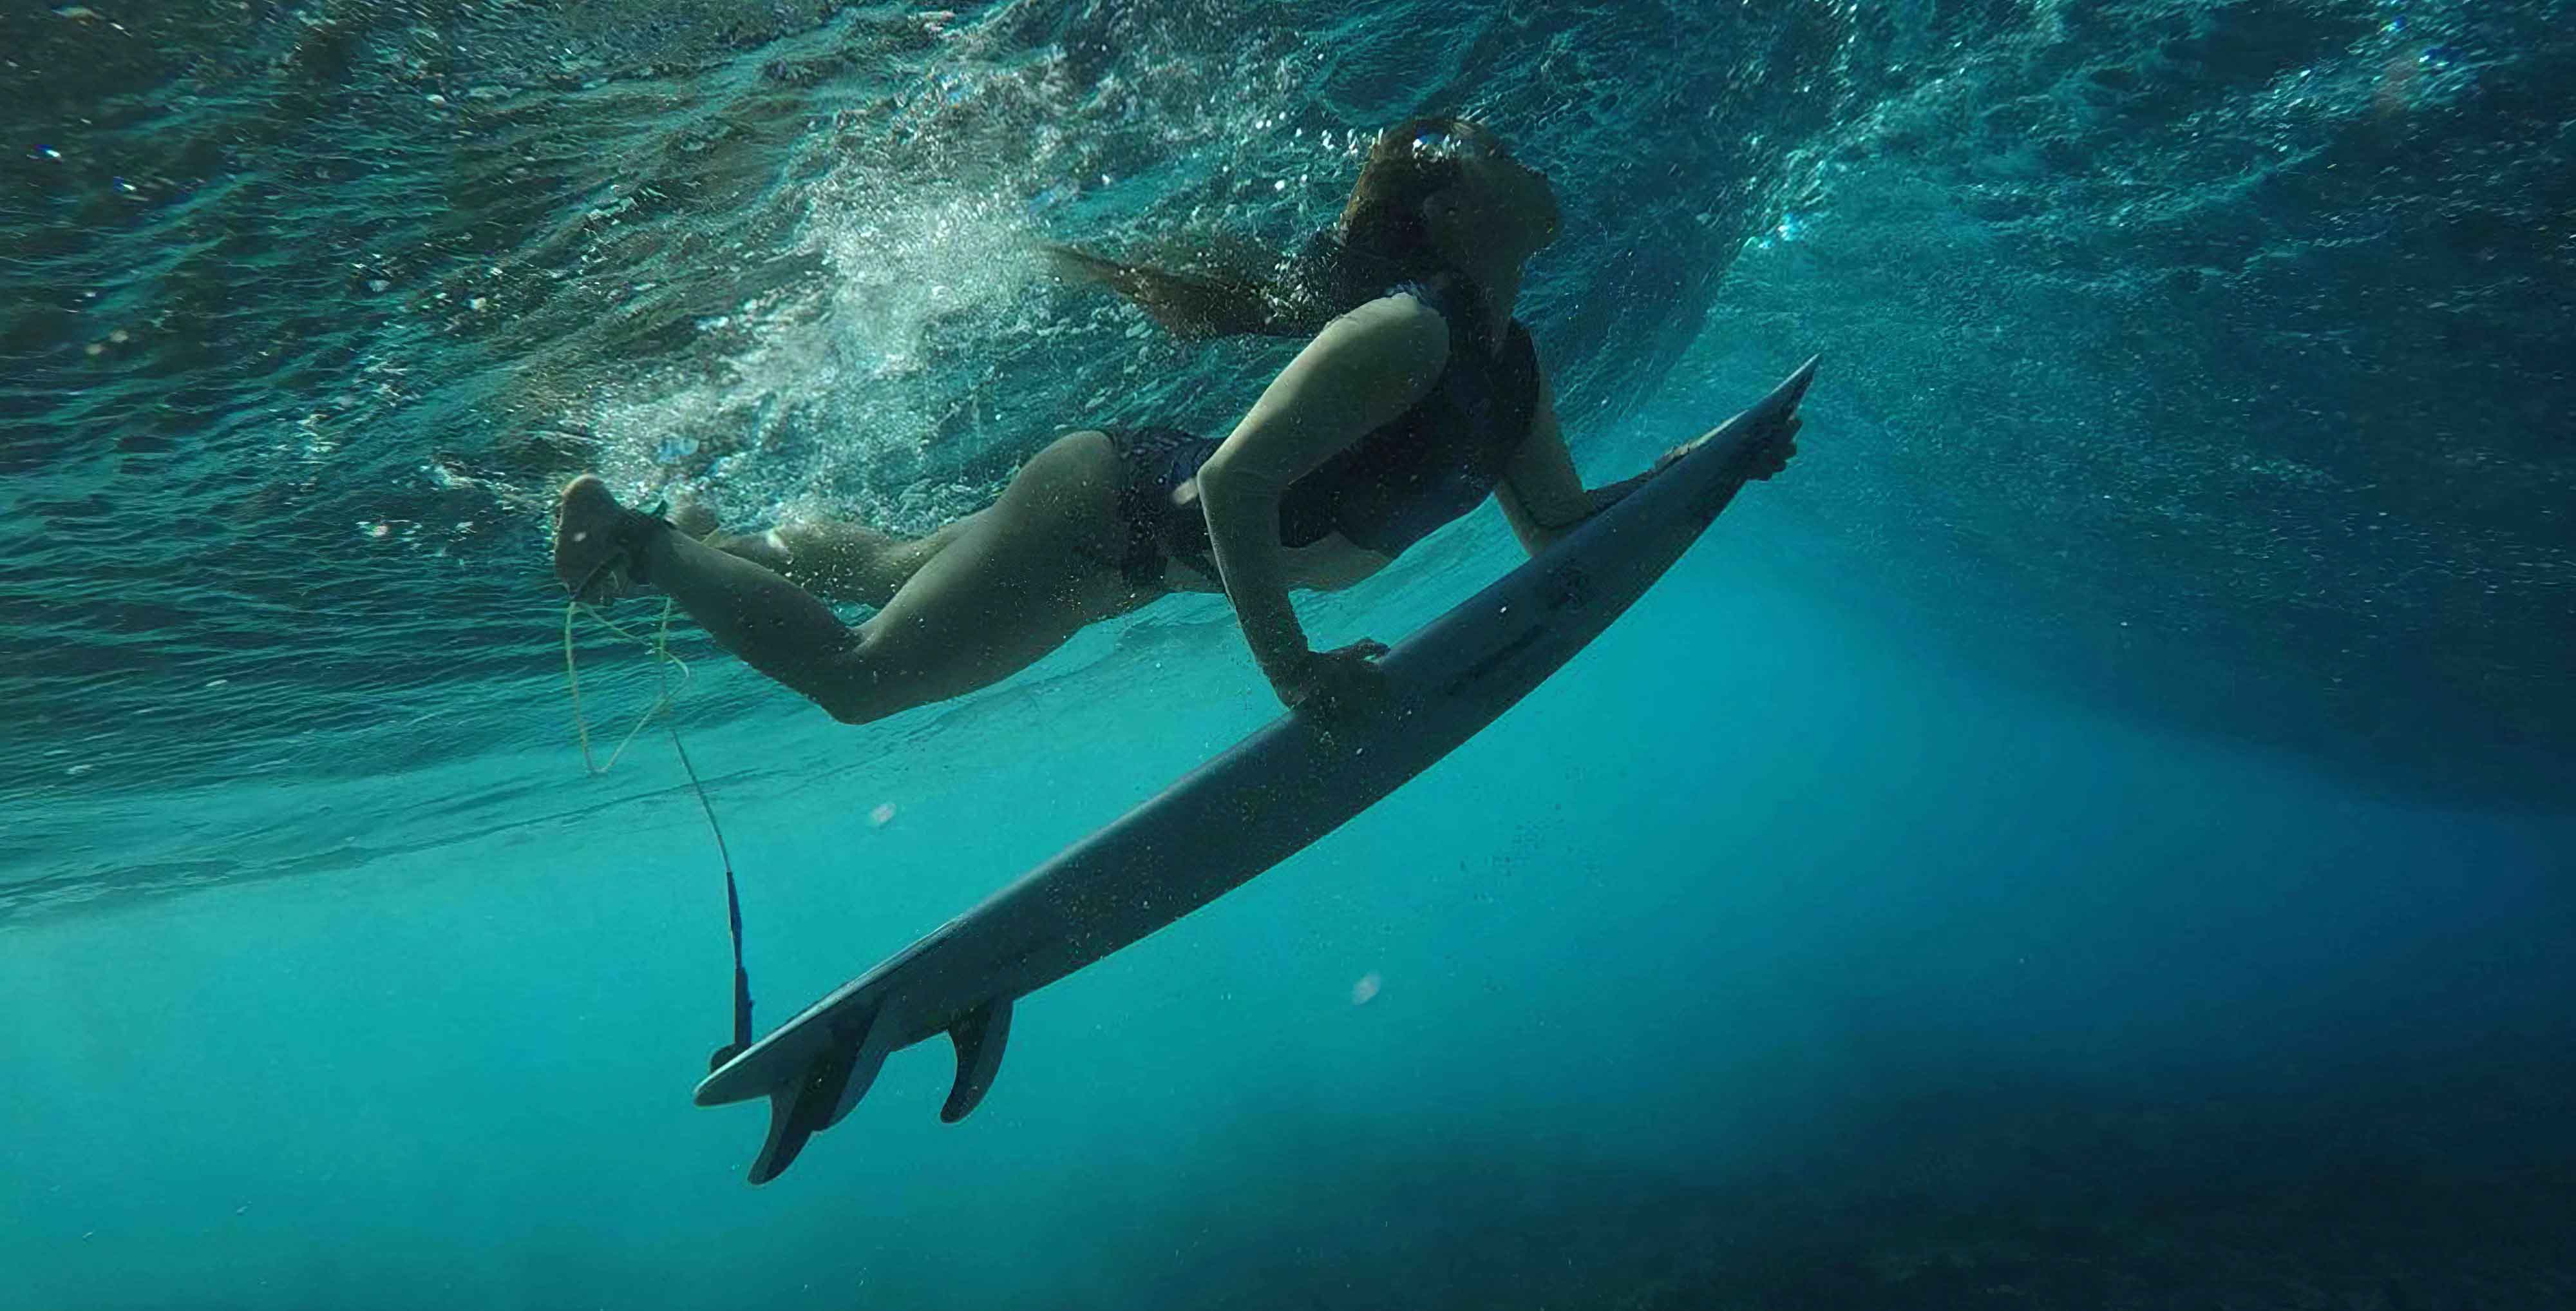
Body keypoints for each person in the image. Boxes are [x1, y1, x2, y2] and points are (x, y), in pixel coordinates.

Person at [550, 115, 1799, 723]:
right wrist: (1295, 677)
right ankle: (645, 547)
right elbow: (1235, 491)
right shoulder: (1407, 334)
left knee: (886, 567)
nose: (1525, 156)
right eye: (1490, 148)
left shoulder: (1504, 362)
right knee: (860, 681)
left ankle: (712, 536)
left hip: (1141, 551)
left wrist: (1712, 469)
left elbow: (1561, 527)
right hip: (1107, 516)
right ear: (1446, 211)